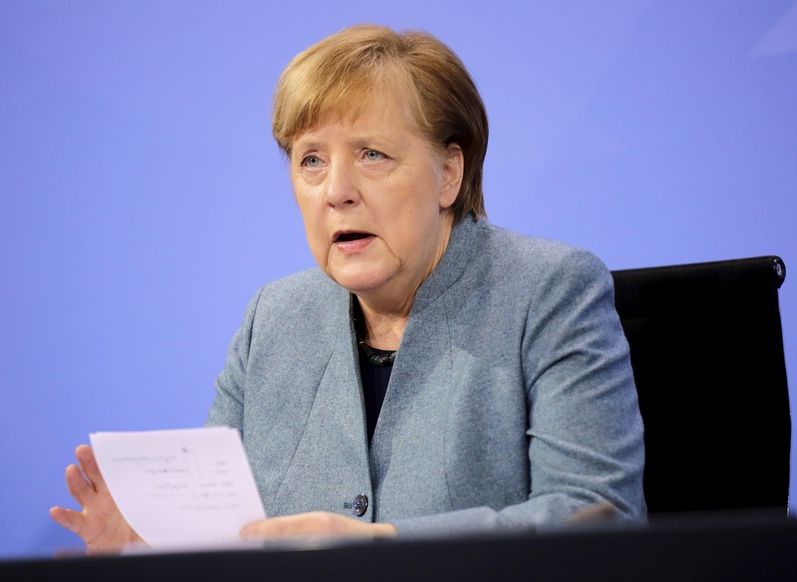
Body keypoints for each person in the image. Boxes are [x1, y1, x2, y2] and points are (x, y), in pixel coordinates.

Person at [50, 24, 645, 551]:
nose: (337, 190)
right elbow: (228, 530)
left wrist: (383, 545)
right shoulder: (275, 317)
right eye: (311, 160)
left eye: (372, 154)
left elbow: (599, 518)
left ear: (448, 173)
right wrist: (154, 547)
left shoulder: (547, 292)